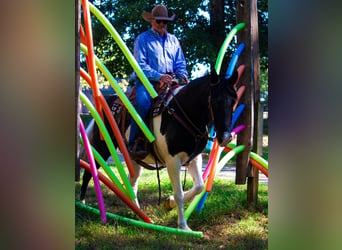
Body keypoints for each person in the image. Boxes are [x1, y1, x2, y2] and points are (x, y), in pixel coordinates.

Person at [128, 4, 189, 159]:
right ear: (152, 21)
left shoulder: (174, 41)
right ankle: (135, 142)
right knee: (143, 104)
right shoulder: (142, 39)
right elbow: (140, 65)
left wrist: (182, 75)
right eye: (159, 21)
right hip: (146, 81)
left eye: (165, 22)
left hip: (170, 82)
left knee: (190, 100)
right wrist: (159, 76)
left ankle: (187, 140)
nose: (162, 24)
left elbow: (180, 63)